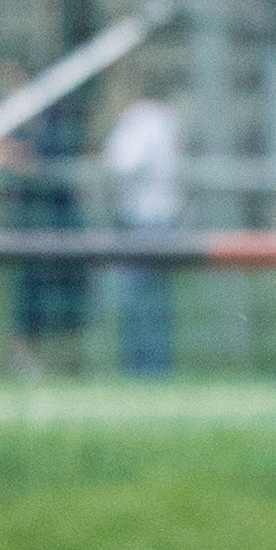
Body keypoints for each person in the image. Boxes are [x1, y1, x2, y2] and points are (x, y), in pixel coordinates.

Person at [102, 91, 184, 376]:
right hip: (161, 220)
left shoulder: (141, 119)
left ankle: (144, 369)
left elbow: (122, 162)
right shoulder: (164, 118)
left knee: (138, 301)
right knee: (155, 302)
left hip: (144, 222)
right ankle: (154, 368)